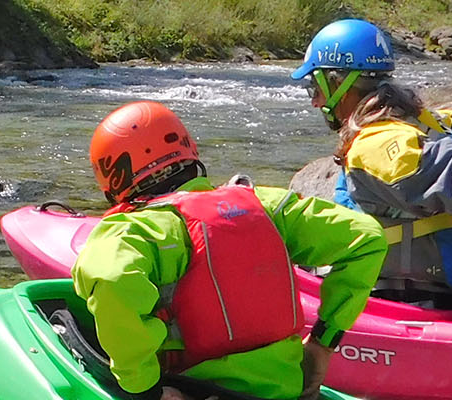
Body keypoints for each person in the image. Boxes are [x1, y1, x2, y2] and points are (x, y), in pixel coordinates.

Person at [73, 101, 389, 400]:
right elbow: (367, 237)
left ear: (113, 178)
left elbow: (112, 279)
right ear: (189, 150)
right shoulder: (266, 205)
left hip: (192, 388)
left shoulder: (136, 231)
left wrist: (145, 389)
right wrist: (323, 342)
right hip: (286, 388)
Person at [291, 19, 452, 340]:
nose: (315, 101)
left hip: (427, 298)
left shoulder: (377, 145)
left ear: (337, 83)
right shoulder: (439, 122)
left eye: (314, 88)